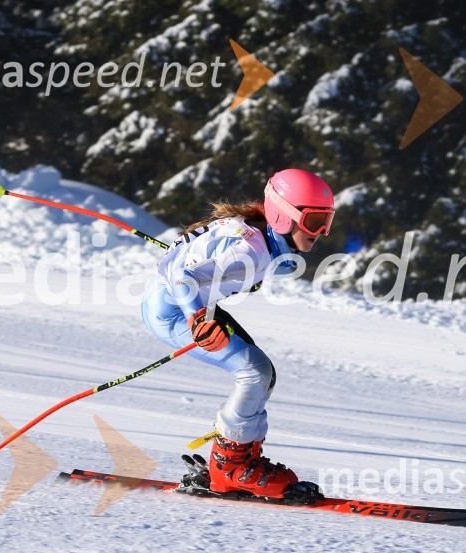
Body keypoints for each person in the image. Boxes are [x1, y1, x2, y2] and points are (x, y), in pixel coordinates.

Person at [141, 168, 335, 498]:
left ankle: (239, 459)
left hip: (192, 306)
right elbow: (178, 274)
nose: (321, 232)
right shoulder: (249, 251)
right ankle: (229, 467)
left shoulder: (259, 237)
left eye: (327, 221)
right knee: (253, 372)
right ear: (283, 216)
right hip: (172, 313)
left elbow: (185, 259)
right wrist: (197, 319)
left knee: (263, 374)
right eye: (314, 221)